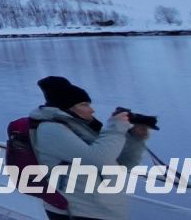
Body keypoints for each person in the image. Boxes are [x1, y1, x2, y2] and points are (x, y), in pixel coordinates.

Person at [30, 75, 150, 220]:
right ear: (67, 107)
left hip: (103, 211)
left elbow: (122, 165)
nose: (91, 110)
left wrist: (135, 138)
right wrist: (116, 127)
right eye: (84, 105)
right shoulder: (51, 130)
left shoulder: (82, 129)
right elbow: (98, 159)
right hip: (77, 212)